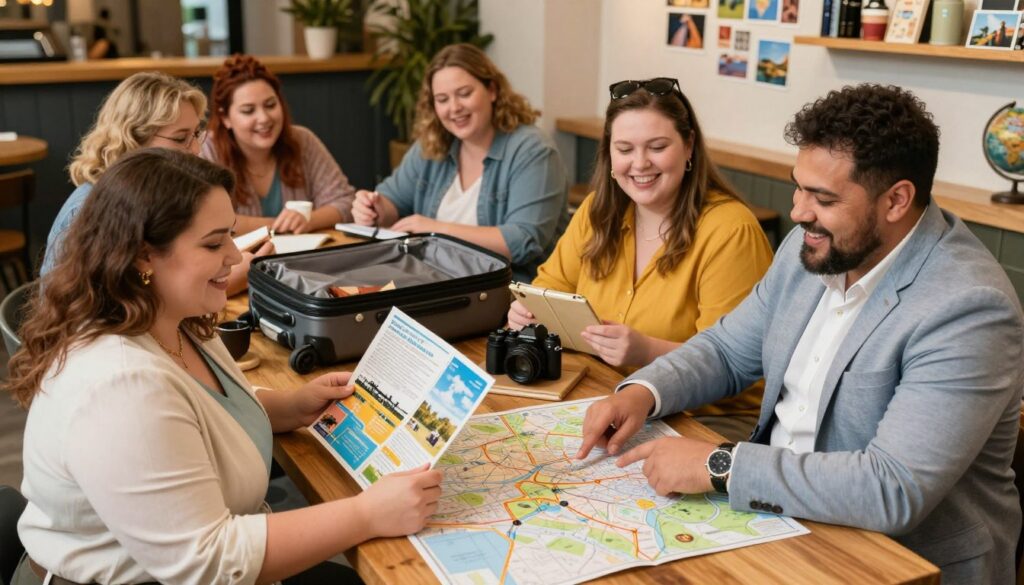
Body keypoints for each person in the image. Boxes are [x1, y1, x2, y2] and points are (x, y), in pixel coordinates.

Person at [576, 84, 1023, 583]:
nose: (798, 211)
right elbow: (726, 351)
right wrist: (643, 392)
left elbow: (892, 488)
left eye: (823, 198)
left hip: (898, 559)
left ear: (897, 200)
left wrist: (723, 466)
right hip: (780, 518)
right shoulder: (809, 247)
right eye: (798, 187)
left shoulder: (968, 307)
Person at [7, 149, 442, 584]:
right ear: (143, 257)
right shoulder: (120, 386)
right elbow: (207, 562)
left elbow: (198, 408)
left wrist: (291, 406)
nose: (235, 256)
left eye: (232, 235)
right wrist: (367, 513)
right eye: (214, 243)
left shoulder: (174, 318)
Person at [508, 78, 772, 442]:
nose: (640, 163)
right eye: (625, 149)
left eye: (658, 146)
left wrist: (647, 350)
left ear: (689, 146)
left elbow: (732, 360)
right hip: (607, 393)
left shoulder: (730, 230)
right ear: (609, 154)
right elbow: (549, 288)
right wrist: (527, 311)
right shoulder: (597, 211)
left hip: (707, 417)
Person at [351, 43, 569, 282]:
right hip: (435, 281)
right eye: (442, 99)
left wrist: (435, 231)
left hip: (510, 291)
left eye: (464, 94)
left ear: (492, 90)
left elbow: (524, 241)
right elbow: (392, 200)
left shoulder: (533, 150)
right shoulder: (432, 145)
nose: (454, 108)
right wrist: (372, 209)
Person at [40, 71, 272, 295]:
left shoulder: (150, 195)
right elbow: (113, 309)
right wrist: (229, 279)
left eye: (196, 134)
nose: (195, 149)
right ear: (133, 139)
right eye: (181, 138)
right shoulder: (91, 209)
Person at [203, 54, 355, 235]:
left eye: (270, 105)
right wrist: (276, 224)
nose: (264, 118)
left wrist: (307, 220)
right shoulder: (206, 149)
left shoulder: (303, 140)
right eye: (248, 110)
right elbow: (204, 218)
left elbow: (345, 201)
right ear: (225, 118)